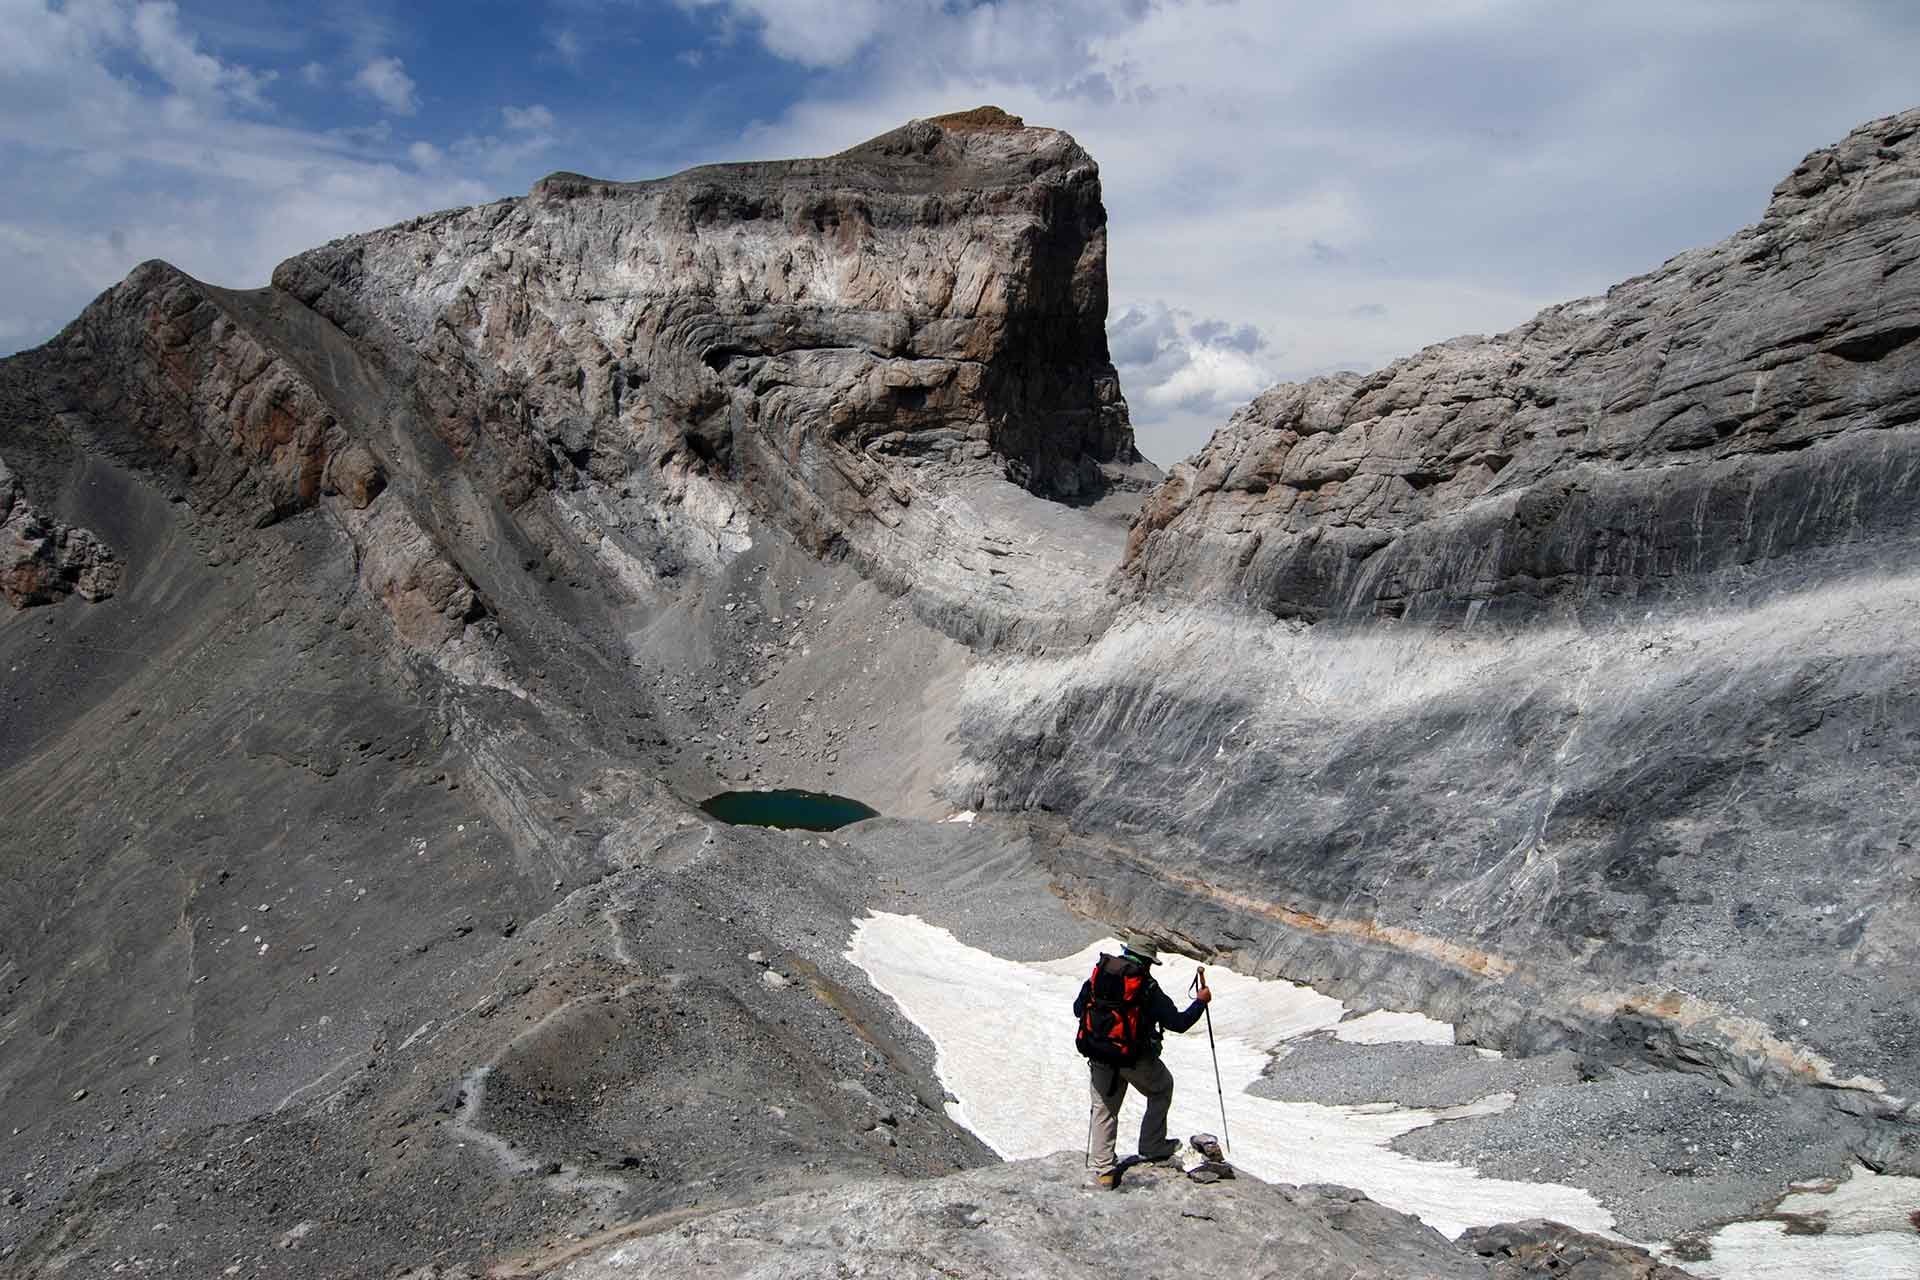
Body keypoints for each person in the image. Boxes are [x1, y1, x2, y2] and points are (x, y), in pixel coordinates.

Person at [1072, 938, 1212, 1188]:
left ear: (1126, 952)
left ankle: (1103, 1169)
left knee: (1104, 1108)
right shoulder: (1146, 986)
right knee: (1161, 1087)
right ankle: (1152, 1145)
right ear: (1148, 962)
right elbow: (1178, 1023)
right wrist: (1200, 1001)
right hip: (1135, 1059)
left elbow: (1077, 1009)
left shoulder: (1099, 975)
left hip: (1100, 1055)